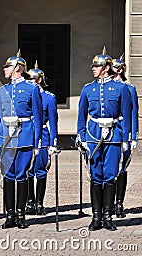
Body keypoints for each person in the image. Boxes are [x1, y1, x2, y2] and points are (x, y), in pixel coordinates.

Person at [77, 47, 131, 231]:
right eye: (93, 65)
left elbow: (126, 114)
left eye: (97, 66)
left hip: (114, 134)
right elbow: (81, 115)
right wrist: (82, 136)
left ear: (106, 68)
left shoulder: (121, 88)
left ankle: (108, 217)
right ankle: (96, 217)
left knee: (109, 176)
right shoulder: (87, 89)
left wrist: (126, 138)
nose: (93, 68)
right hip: (93, 135)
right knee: (95, 176)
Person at [0, 50, 43, 229]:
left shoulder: (32, 88)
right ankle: (10, 215)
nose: (4, 69)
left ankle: (21, 214)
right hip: (5, 137)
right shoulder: (2, 90)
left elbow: (37, 117)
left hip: (25, 136)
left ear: (17, 68)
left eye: (7, 67)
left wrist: (37, 143)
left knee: (21, 175)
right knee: (8, 176)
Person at [25, 61, 58, 215]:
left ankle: (39, 203)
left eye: (30, 79)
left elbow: (53, 121)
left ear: (38, 80)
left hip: (43, 137)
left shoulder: (49, 98)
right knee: (27, 171)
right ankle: (29, 202)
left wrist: (53, 142)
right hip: (27, 135)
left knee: (41, 171)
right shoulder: (25, 93)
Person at [111, 54, 139, 218]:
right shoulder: (105, 87)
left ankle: (119, 203)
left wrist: (133, 136)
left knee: (121, 168)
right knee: (107, 169)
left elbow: (133, 113)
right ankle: (107, 204)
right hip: (108, 132)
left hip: (123, 132)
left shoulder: (129, 89)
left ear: (121, 70)